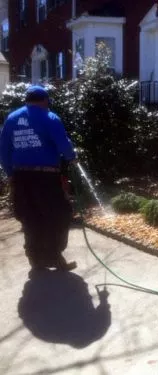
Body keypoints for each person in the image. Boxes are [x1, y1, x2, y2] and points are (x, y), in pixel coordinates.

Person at [0, 85, 78, 271]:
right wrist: (72, 157)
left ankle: (35, 259)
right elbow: (64, 145)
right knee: (59, 215)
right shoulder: (49, 117)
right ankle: (54, 256)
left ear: (27, 100)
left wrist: (10, 174)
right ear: (45, 100)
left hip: (21, 176)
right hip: (45, 177)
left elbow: (3, 150)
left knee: (30, 217)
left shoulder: (11, 119)